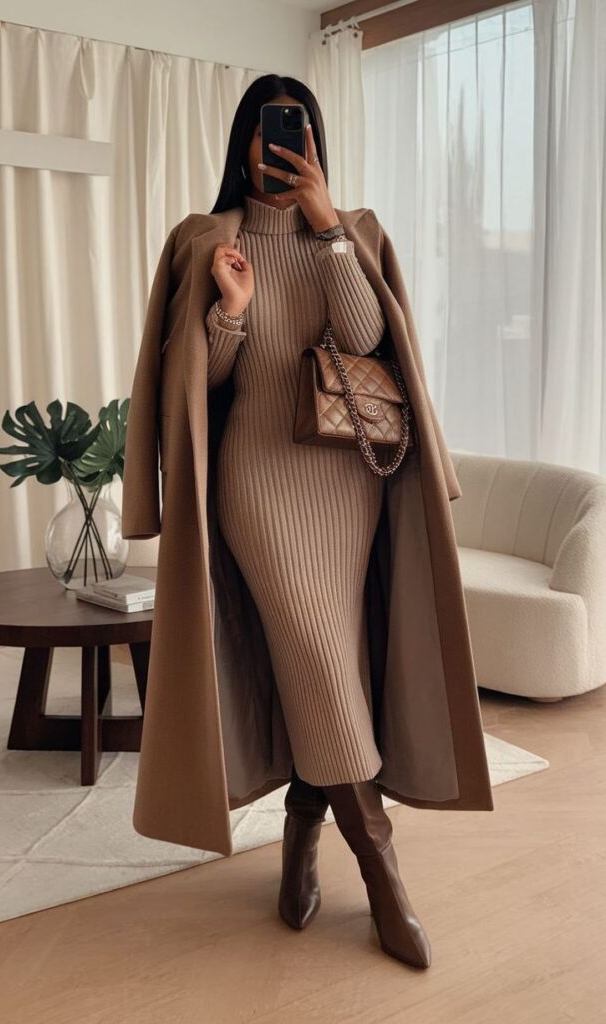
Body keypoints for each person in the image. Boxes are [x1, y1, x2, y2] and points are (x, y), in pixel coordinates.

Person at [204, 75, 430, 970]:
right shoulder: (209, 239)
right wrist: (231, 312)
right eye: (265, 132)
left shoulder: (356, 228)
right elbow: (207, 388)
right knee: (316, 655)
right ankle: (381, 874)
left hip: (347, 482)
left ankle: (301, 834)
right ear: (242, 141)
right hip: (257, 479)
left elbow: (368, 338)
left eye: (291, 130)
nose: (276, 145)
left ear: (312, 137)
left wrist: (326, 225)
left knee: (327, 662)